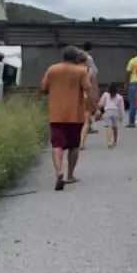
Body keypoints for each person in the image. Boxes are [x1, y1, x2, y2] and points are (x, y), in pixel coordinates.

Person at [40, 45, 95, 191]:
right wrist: (94, 107)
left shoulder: (53, 69)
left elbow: (43, 87)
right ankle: (70, 175)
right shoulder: (81, 71)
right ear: (77, 58)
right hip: (75, 114)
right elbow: (88, 89)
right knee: (74, 146)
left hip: (56, 114)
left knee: (57, 145)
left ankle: (59, 172)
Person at [97, 82, 125, 149]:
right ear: (117, 88)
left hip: (107, 112)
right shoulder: (119, 97)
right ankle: (115, 141)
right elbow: (121, 108)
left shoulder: (106, 94)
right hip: (115, 112)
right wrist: (122, 117)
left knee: (109, 127)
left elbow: (101, 104)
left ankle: (109, 142)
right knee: (115, 127)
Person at [125, 50, 137, 128]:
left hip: (133, 83)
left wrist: (126, 83)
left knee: (133, 103)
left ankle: (131, 122)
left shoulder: (132, 61)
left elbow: (128, 73)